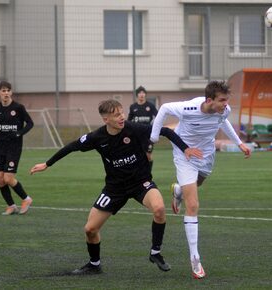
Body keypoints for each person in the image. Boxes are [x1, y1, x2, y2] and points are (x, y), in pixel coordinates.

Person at [30, 100, 202, 275]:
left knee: (159, 209)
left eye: (122, 112)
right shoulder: (97, 137)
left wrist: (185, 149)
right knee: (90, 229)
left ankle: (155, 252)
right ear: (106, 119)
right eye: (116, 115)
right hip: (115, 188)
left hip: (140, 183)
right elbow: (72, 146)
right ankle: (94, 264)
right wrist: (47, 164)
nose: (122, 117)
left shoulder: (133, 128)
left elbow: (164, 131)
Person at [149, 80, 251, 279]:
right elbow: (164, 108)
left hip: (206, 154)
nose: (225, 104)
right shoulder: (188, 107)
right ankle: (195, 259)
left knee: (199, 183)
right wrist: (153, 136)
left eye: (226, 100)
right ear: (209, 100)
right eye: (222, 100)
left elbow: (224, 121)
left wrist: (239, 143)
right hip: (185, 155)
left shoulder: (224, 110)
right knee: (193, 205)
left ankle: (178, 190)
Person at [0, 81, 34, 215]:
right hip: (0, 147)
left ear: (11, 92)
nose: (5, 93)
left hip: (14, 147)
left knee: (8, 178)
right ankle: (11, 206)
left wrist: (19, 133)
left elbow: (30, 123)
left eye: (8, 90)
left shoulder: (18, 108)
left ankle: (27, 199)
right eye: (3, 91)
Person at [128, 86, 158, 170]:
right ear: (137, 95)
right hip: (137, 135)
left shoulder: (150, 106)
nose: (142, 95)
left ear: (145, 95)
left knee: (148, 156)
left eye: (143, 93)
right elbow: (129, 121)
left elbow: (158, 116)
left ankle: (148, 174)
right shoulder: (133, 107)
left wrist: (155, 127)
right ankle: (138, 174)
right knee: (136, 156)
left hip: (148, 135)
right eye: (140, 93)